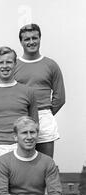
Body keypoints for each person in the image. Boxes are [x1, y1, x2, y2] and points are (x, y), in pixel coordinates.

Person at [0, 46, 38, 181]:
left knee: (22, 190)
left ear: (15, 64)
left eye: (9, 62)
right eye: (0, 62)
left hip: (21, 148)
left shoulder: (28, 92)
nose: (5, 66)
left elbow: (34, 125)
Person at [14, 23, 65, 158]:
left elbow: (60, 98)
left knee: (45, 165)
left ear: (40, 39)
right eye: (27, 39)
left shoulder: (51, 65)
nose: (31, 42)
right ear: (21, 42)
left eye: (34, 38)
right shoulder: (14, 66)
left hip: (44, 117)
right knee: (21, 165)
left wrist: (44, 113)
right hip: (20, 116)